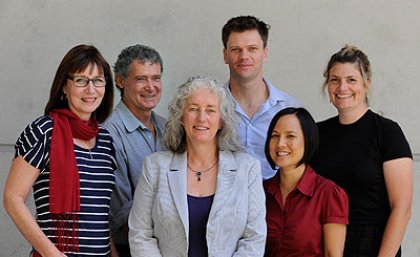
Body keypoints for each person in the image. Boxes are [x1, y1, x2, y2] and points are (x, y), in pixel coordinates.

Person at [128, 76, 266, 257]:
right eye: (193, 109)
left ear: (221, 120)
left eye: (210, 110)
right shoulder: (155, 167)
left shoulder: (247, 169)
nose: (201, 118)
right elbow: (140, 233)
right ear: (181, 117)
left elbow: (254, 238)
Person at [3, 44, 117, 257]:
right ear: (64, 86)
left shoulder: (106, 140)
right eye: (81, 80)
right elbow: (12, 197)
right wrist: (51, 254)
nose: (91, 89)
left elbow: (99, 214)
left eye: (98, 80)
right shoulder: (43, 132)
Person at [310, 45, 413, 257]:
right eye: (334, 79)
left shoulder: (387, 132)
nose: (342, 87)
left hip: (372, 244)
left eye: (351, 80)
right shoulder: (316, 133)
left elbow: (401, 208)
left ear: (367, 83)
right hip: (326, 242)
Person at [102, 44, 166, 257]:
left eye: (156, 78)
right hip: (128, 249)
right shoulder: (108, 134)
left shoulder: (169, 129)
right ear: (120, 81)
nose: (151, 86)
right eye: (141, 79)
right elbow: (121, 216)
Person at [222, 15, 302, 180]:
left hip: (277, 204)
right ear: (225, 55)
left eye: (252, 48)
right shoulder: (211, 107)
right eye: (236, 49)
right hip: (223, 203)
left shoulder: (290, 109)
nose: (244, 56)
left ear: (265, 53)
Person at [263, 107, 349, 257]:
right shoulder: (260, 192)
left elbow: (333, 254)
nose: (280, 143)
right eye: (274, 136)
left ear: (308, 140)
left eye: (290, 136)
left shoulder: (328, 194)